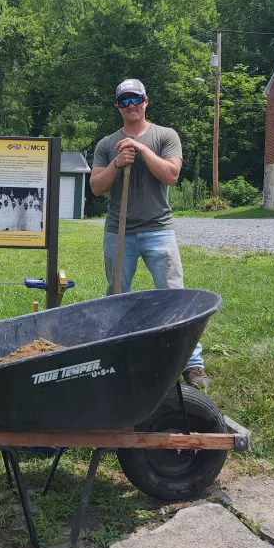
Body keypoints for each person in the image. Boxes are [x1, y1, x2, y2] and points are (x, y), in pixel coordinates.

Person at [89, 79, 211, 389]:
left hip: (159, 230)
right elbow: (97, 187)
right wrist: (117, 163)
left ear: (146, 101)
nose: (131, 106)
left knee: (174, 296)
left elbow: (171, 175)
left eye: (136, 99)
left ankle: (192, 363)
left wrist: (141, 149)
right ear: (118, 106)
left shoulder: (165, 136)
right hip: (119, 233)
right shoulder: (107, 144)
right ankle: (115, 356)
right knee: (116, 295)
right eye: (124, 101)